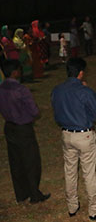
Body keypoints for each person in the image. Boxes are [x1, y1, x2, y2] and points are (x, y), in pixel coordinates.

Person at [51, 58, 96, 220]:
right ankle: (94, 209)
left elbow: (56, 114)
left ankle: (72, 206)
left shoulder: (57, 90)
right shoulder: (85, 91)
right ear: (81, 72)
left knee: (70, 171)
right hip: (84, 134)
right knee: (89, 173)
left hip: (66, 134)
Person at [0, 59, 50, 204]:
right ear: (15, 72)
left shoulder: (1, 89)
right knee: (31, 161)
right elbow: (34, 111)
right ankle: (35, 194)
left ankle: (21, 194)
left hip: (9, 127)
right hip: (23, 128)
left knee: (15, 161)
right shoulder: (21, 90)